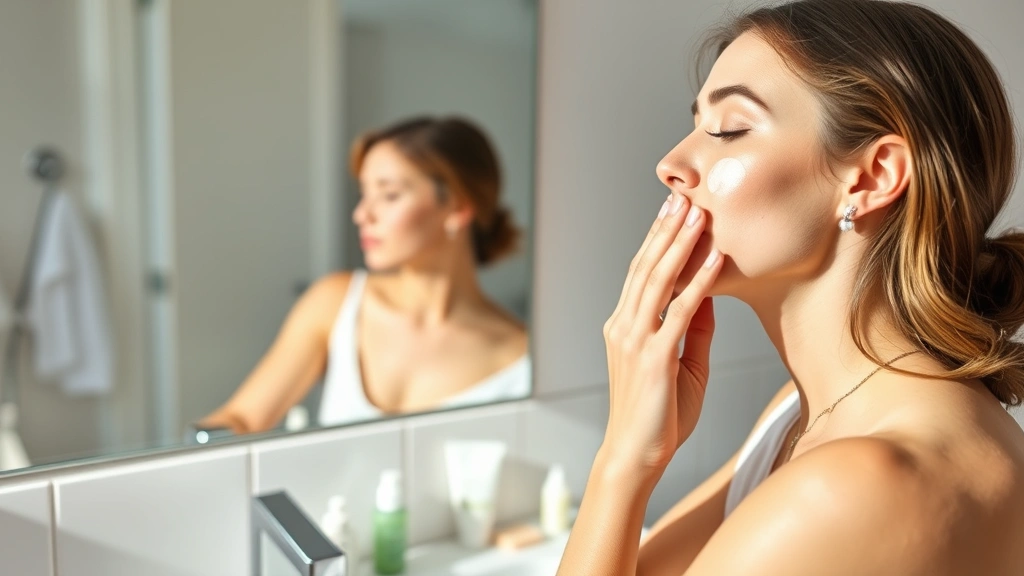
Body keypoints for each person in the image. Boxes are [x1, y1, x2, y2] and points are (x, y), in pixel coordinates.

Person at [558, 1, 1024, 574]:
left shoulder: (856, 485)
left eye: (729, 130)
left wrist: (623, 459)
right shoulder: (804, 413)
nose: (671, 163)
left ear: (873, 178)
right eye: (695, 123)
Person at [200, 116, 529, 433]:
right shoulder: (335, 302)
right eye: (364, 194)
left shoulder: (520, 357)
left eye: (389, 195)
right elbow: (242, 418)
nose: (362, 215)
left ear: (457, 208)